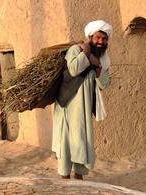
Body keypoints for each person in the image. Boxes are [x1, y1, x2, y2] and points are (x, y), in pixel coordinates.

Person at [52, 20, 113, 180]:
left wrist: (98, 65)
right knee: (66, 144)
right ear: (90, 36)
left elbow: (105, 84)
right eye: (98, 37)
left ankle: (79, 182)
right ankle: (65, 183)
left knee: (81, 144)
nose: (101, 42)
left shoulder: (103, 59)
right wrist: (86, 53)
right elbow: (73, 70)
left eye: (104, 39)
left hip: (84, 110)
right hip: (67, 106)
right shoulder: (75, 49)